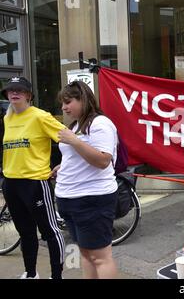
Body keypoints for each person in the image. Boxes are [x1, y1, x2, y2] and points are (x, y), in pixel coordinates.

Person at [1, 77, 66, 279]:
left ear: (29, 95)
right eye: (10, 90)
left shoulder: (40, 116)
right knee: (25, 233)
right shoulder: (7, 118)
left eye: (19, 90)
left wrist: (65, 165)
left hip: (35, 183)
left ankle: (57, 276)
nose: (14, 93)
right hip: (11, 183)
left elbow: (69, 138)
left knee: (50, 232)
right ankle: (31, 274)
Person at [54, 80, 119, 279]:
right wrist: (62, 167)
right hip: (69, 198)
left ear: (83, 99)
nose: (64, 107)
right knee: (85, 253)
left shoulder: (100, 123)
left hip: (92, 199)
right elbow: (76, 156)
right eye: (62, 104)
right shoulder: (74, 126)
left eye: (68, 102)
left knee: (100, 257)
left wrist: (74, 141)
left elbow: (102, 160)